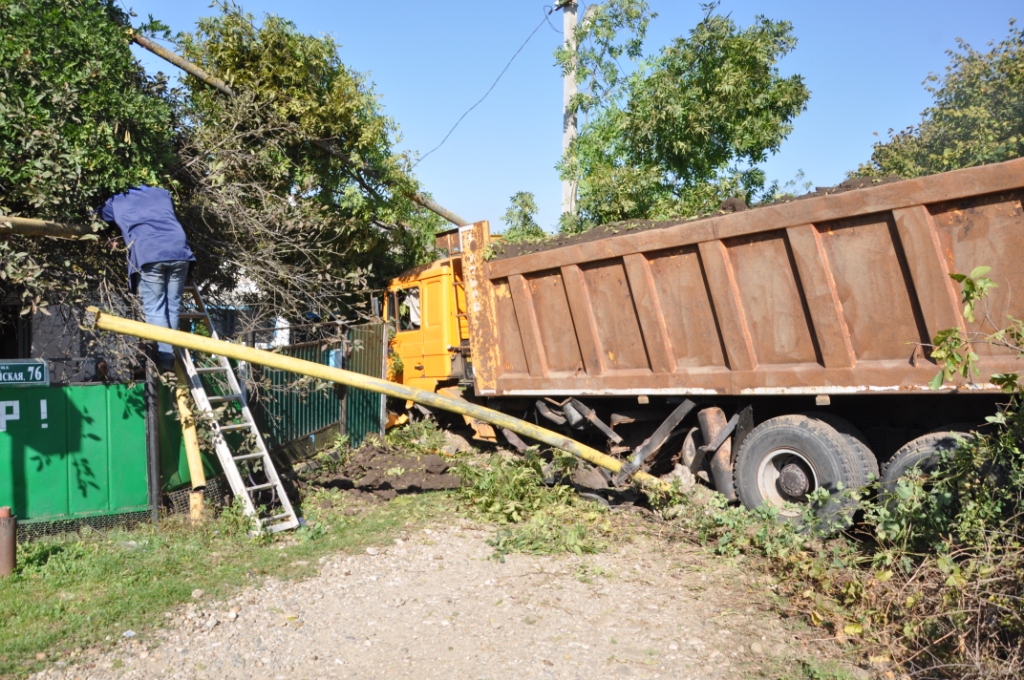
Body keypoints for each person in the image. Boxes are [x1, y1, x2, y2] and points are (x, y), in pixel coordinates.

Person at [99, 186, 195, 372]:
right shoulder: (161, 192)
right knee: (172, 305)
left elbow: (98, 218)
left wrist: (109, 234)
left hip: (150, 251)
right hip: (179, 249)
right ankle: (169, 355)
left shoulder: (117, 200)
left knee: (155, 308)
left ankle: (165, 360)